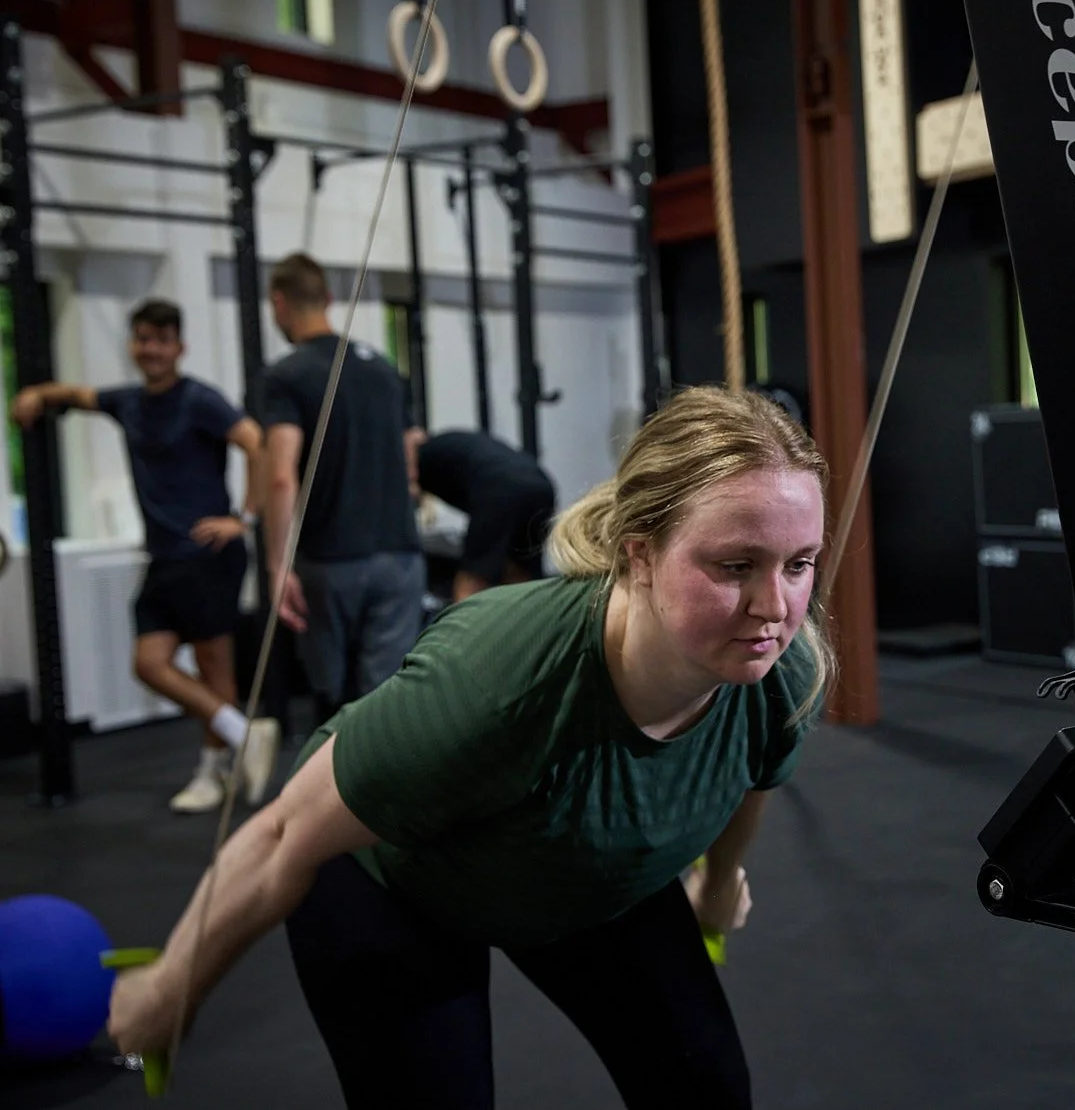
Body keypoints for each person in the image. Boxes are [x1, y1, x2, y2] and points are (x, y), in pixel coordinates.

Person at [107, 385, 834, 1108]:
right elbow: (281, 837)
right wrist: (170, 989)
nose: (774, 607)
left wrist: (716, 885)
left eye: (798, 564)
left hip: (578, 868)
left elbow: (749, 778)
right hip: (398, 881)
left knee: (707, 1091)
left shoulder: (783, 669)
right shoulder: (498, 679)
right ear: (640, 555)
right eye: (734, 566)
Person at [8, 300, 281, 813]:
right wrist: (37, 394)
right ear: (133, 345)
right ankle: (243, 732)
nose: (151, 349)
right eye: (142, 339)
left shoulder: (198, 400)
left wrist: (243, 519)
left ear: (179, 347)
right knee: (149, 663)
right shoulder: (128, 401)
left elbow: (256, 442)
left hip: (207, 553)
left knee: (214, 668)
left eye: (161, 340)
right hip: (163, 557)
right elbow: (78, 395)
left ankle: (212, 772)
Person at [256, 253, 425, 724]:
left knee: (334, 706)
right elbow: (412, 453)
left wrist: (276, 566)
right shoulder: (382, 369)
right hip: (400, 556)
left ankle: (334, 773)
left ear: (279, 303)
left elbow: (280, 475)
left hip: (331, 562)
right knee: (386, 706)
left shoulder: (285, 375)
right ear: (329, 299)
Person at [410, 428, 558, 601]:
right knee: (522, 575)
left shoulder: (411, 458)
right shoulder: (450, 445)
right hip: (541, 486)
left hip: (499, 489)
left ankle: (466, 618)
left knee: (474, 580)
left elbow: (410, 492)